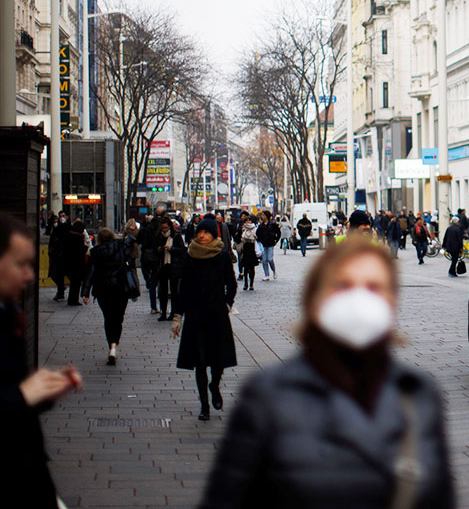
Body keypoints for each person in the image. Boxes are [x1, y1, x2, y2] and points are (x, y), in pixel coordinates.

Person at [199, 238, 454, 509]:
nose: (359, 300)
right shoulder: (268, 396)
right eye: (342, 286)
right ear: (315, 299)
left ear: (392, 301)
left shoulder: (418, 394)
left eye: (374, 288)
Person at [0, 214, 82, 508]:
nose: (30, 275)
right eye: (20, 264)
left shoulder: (9, 313)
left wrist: (44, 391)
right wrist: (24, 395)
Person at [170, 217, 238, 421]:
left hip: (217, 315)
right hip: (195, 316)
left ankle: (214, 386)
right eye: (200, 232)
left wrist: (227, 303)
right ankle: (204, 406)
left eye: (206, 232)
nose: (202, 235)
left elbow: (232, 284)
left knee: (217, 361)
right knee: (199, 362)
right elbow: (184, 288)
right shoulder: (190, 256)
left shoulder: (223, 256)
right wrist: (178, 316)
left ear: (213, 235)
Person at [82, 229, 133, 364]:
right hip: (121, 288)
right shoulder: (122, 248)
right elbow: (130, 266)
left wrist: (85, 292)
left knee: (108, 318)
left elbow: (91, 273)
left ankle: (111, 344)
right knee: (118, 318)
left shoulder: (96, 252)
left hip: (103, 289)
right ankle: (114, 345)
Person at [156, 218, 186, 322]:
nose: (163, 229)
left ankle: (173, 312)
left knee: (174, 291)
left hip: (174, 266)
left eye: (165, 227)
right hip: (163, 265)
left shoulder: (176, 236)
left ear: (169, 226)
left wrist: (171, 249)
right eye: (162, 227)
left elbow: (182, 250)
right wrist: (160, 249)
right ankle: (163, 312)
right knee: (162, 291)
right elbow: (155, 249)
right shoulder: (159, 236)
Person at [138, 209, 164, 314]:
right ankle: (162, 307)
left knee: (152, 283)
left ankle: (153, 307)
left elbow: (139, 239)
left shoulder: (147, 228)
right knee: (160, 282)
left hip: (147, 257)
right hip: (158, 257)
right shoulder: (161, 228)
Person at [65, 219, 89, 306]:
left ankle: (72, 299)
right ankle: (73, 300)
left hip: (70, 262)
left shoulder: (69, 236)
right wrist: (85, 248)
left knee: (74, 283)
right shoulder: (78, 238)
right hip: (77, 263)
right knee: (76, 283)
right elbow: (80, 251)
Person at [48, 210, 70, 301]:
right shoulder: (57, 229)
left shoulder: (67, 228)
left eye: (63, 216)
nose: (62, 218)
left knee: (63, 274)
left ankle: (60, 293)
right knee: (56, 274)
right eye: (60, 216)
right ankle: (60, 292)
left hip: (65, 255)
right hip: (58, 255)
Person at [257, 211, 281, 281]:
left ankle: (274, 270)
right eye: (262, 215)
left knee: (270, 258)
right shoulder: (261, 225)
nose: (262, 216)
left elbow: (278, 232)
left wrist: (276, 240)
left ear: (267, 216)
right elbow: (258, 233)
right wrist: (259, 239)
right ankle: (266, 275)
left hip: (270, 243)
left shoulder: (272, 224)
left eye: (263, 215)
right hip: (263, 244)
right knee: (264, 260)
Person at [240, 217, 259, 292]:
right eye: (246, 220)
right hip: (245, 248)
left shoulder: (254, 228)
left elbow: (257, 237)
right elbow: (240, 237)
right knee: (245, 268)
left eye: (249, 220)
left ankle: (251, 284)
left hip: (252, 248)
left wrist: (256, 236)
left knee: (252, 267)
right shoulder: (243, 228)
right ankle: (246, 284)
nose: (248, 222)